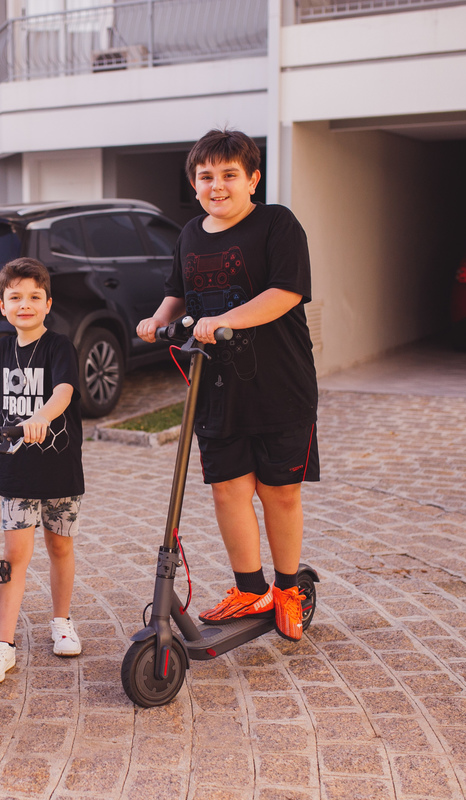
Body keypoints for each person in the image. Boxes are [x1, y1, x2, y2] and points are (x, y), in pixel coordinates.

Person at [137, 127, 319, 642]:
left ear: (253, 179)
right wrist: (156, 320)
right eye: (206, 176)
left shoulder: (277, 224)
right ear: (194, 184)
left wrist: (225, 320)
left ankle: (287, 590)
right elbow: (178, 294)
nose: (217, 186)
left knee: (278, 493)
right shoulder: (190, 233)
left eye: (229, 175)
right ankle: (248, 588)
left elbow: (286, 293)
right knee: (227, 491)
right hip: (215, 389)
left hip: (280, 385)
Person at [0, 257, 85, 684]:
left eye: (34, 297)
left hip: (60, 467)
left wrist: (40, 416)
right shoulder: (2, 351)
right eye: (15, 298)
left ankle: (61, 620)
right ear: (3, 307)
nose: (25, 304)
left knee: (60, 547)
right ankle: (3, 644)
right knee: (14, 557)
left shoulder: (59, 346)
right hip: (16, 471)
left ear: (47, 304)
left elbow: (64, 390)